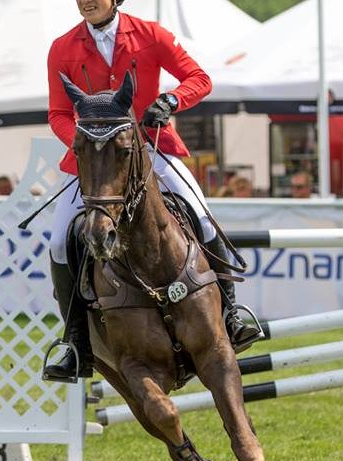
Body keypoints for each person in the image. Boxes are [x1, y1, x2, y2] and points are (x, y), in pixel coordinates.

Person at [43, 0, 260, 383]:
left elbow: (199, 78)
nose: (85, 1)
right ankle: (76, 341)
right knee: (61, 240)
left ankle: (231, 313)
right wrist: (84, 142)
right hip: (96, 162)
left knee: (203, 220)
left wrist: (171, 100)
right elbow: (58, 113)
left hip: (153, 148)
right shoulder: (62, 47)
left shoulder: (150, 35)